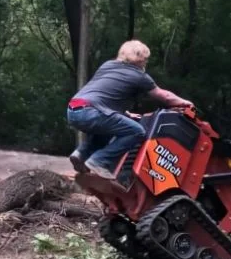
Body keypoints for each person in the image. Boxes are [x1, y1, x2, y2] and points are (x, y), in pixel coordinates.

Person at [66, 40, 193, 181]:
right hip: (92, 111)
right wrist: (185, 103)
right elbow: (165, 96)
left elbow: (105, 93)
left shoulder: (107, 65)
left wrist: (125, 114)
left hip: (74, 110)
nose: (146, 62)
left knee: (111, 128)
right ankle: (100, 161)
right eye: (145, 59)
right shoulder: (139, 76)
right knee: (137, 131)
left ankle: (80, 154)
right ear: (139, 59)